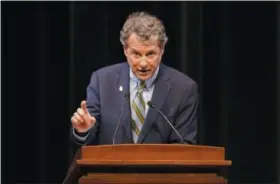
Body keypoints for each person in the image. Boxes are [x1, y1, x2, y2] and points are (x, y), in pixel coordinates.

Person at [70, 11, 199, 146]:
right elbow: (87, 136)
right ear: (125, 50)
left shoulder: (183, 88)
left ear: (162, 50)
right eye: (136, 54)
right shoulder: (102, 81)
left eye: (150, 54)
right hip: (111, 166)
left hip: (161, 167)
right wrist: (83, 130)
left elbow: (184, 145)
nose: (143, 63)